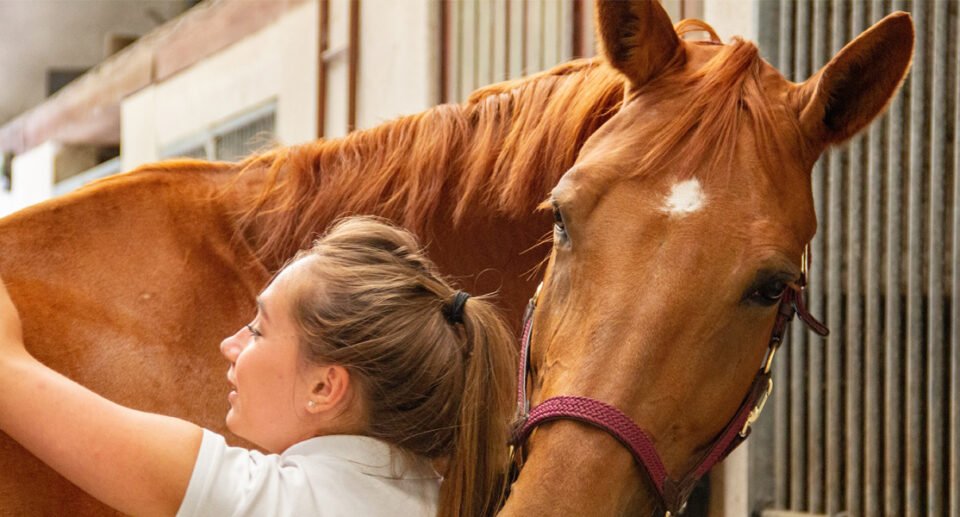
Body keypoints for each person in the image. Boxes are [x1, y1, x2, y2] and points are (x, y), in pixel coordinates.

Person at [0, 216, 517, 517]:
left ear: (324, 386)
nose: (231, 344)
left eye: (259, 329)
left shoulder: (266, 503)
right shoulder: (443, 498)